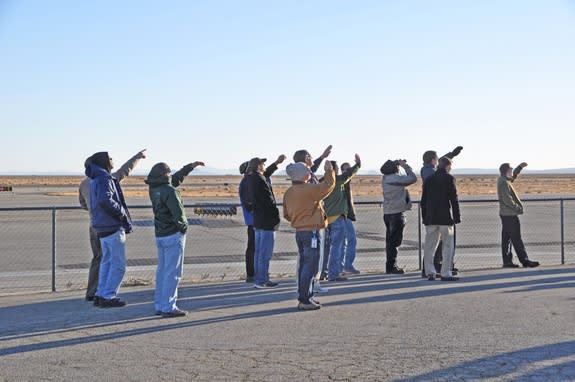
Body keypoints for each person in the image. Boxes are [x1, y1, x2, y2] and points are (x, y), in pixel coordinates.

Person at [79, 149, 146, 302]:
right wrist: (136, 158)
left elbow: (82, 203)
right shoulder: (107, 178)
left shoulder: (84, 183)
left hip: (94, 224)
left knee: (99, 259)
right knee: (114, 262)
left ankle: (94, 292)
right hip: (109, 224)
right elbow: (124, 171)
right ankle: (107, 294)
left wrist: (93, 211)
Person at [145, 161, 204, 318]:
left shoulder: (154, 188)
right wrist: (184, 227)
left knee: (163, 271)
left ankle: (160, 303)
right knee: (173, 272)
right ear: (165, 174)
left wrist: (189, 167)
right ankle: (169, 306)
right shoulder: (170, 191)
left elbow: (174, 179)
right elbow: (178, 213)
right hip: (173, 234)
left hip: (160, 234)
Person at [283, 161, 336, 310]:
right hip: (311, 232)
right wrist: (329, 172)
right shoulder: (308, 189)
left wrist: (299, 219)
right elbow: (328, 187)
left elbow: (287, 214)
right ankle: (305, 299)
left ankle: (307, 295)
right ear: (305, 175)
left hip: (300, 232)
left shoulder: (289, 192)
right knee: (311, 266)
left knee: (305, 265)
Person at [238, 155, 286, 283]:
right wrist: (256, 211)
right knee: (257, 249)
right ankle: (255, 275)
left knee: (257, 249)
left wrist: (276, 163)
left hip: (257, 220)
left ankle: (257, 275)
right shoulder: (249, 182)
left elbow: (266, 173)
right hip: (257, 220)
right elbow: (250, 202)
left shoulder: (252, 180)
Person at [293, 146, 332, 291]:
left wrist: (322, 157)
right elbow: (323, 187)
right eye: (309, 156)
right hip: (311, 222)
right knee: (310, 258)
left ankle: (312, 283)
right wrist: (329, 173)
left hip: (312, 221)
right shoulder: (304, 177)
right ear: (305, 158)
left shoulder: (305, 175)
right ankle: (307, 285)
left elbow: (312, 171)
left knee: (313, 257)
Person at [420, 146, 463, 277]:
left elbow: (423, 201)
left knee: (429, 247)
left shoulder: (429, 179)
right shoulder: (449, 179)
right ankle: (446, 272)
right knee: (448, 246)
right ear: (448, 166)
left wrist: (425, 217)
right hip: (445, 217)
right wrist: (456, 217)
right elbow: (453, 200)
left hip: (431, 218)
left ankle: (430, 272)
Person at [324, 155, 361, 282]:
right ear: (334, 170)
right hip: (337, 218)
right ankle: (334, 273)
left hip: (326, 219)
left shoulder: (322, 181)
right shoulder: (337, 180)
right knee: (337, 247)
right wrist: (358, 164)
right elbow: (350, 174)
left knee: (327, 247)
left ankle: (325, 272)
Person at [497, 162, 540, 268]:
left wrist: (519, 168)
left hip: (506, 214)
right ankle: (525, 261)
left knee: (506, 239)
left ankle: (507, 262)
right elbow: (507, 199)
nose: (512, 171)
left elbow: (513, 176)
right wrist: (518, 208)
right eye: (510, 170)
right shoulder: (504, 183)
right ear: (506, 171)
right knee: (516, 238)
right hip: (510, 215)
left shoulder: (504, 180)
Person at [381, 159, 417, 274]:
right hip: (396, 213)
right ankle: (392, 267)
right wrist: (405, 166)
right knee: (394, 242)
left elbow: (401, 178)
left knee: (390, 241)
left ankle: (390, 266)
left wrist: (397, 164)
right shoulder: (394, 179)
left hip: (388, 212)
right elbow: (412, 178)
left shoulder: (386, 178)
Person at [341, 161, 360, 275]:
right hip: (344, 215)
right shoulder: (343, 182)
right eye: (346, 170)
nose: (349, 172)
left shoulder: (345, 183)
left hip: (345, 215)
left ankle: (343, 266)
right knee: (350, 240)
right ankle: (346, 265)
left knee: (344, 242)